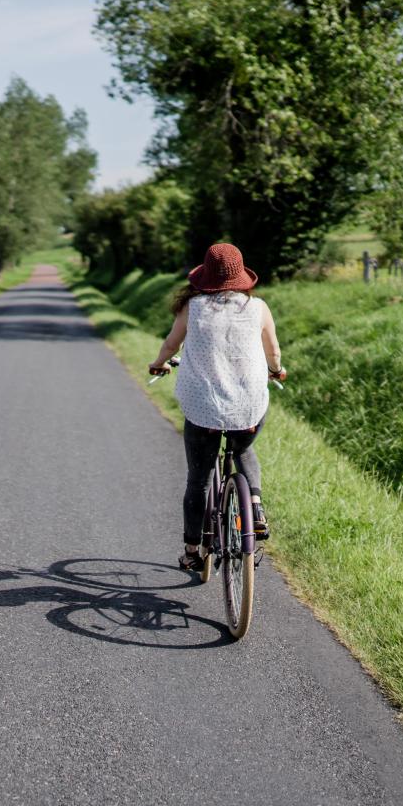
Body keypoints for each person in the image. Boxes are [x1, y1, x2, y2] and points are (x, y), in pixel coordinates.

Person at [148, 243, 286, 571]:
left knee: (199, 480)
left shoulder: (193, 308)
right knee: (243, 449)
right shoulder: (258, 307)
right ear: (241, 275)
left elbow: (171, 344)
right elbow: (273, 352)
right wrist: (276, 369)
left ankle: (193, 551)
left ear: (204, 275)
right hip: (249, 404)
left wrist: (159, 363)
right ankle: (255, 507)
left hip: (203, 408)